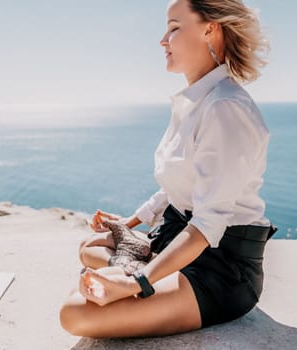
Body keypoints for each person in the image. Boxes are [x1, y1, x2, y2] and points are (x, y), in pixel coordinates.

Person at [59, 0, 274, 338]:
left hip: (220, 268)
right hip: (180, 239)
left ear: (209, 29)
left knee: (75, 314)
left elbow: (207, 224)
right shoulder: (195, 101)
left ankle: (139, 270)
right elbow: (176, 188)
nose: (162, 40)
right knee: (90, 247)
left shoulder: (224, 108)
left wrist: (137, 285)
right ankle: (142, 264)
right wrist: (127, 224)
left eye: (174, 28)